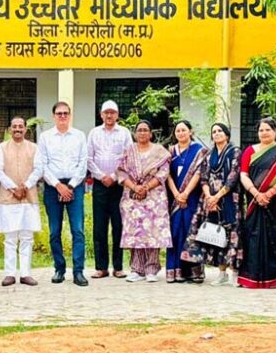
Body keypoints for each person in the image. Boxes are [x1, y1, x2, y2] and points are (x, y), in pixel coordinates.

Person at [181, 123, 242, 286]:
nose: (216, 134)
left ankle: (234, 273)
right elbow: (204, 178)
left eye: (220, 131)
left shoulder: (235, 152)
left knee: (232, 235)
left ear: (227, 134)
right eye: (214, 132)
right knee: (216, 235)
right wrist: (209, 197)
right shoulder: (209, 155)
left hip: (229, 200)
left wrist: (218, 196)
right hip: (210, 201)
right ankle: (221, 273)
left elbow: (233, 177)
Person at [38, 101, 89, 286]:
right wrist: (58, 185)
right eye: (59, 113)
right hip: (53, 187)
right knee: (54, 231)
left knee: (78, 230)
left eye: (65, 113)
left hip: (75, 186)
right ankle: (59, 269)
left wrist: (71, 186)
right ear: (54, 116)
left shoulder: (79, 136)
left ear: (70, 115)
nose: (62, 116)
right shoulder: (45, 137)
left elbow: (83, 163)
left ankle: (78, 271)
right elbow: (42, 164)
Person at [238, 117, 276, 288]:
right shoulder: (249, 151)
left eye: (268, 129)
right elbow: (243, 174)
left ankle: (274, 277)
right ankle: (250, 276)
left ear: (275, 131)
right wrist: (256, 193)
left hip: (275, 201)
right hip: (254, 200)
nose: (264, 133)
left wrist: (270, 193)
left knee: (274, 237)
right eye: (261, 130)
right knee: (252, 237)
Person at [116, 120, 172, 283]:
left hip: (154, 197)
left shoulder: (160, 151)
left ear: (151, 133)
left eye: (145, 130)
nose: (142, 133)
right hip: (132, 197)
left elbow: (163, 173)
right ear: (135, 134)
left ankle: (151, 269)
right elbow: (120, 171)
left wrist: (146, 187)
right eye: (139, 130)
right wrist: (135, 187)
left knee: (153, 232)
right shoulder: (129, 151)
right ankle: (136, 269)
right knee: (135, 232)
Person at [0, 116, 44, 287]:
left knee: (27, 236)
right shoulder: (2, 147)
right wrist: (13, 188)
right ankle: (9, 274)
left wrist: (26, 186)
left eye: (20, 126)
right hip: (9, 198)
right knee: (10, 237)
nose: (17, 129)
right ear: (9, 129)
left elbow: (39, 169)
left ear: (25, 129)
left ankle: (25, 273)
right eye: (14, 126)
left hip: (28, 197)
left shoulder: (34, 148)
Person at [87, 100, 132, 279]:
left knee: (118, 225)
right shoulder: (94, 133)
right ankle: (101, 267)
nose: (109, 115)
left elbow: (128, 157)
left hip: (119, 184)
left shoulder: (124, 133)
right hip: (99, 184)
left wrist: (113, 176)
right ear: (101, 115)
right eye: (106, 112)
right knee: (99, 226)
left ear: (117, 115)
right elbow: (88, 158)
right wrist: (101, 176)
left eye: (112, 112)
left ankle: (118, 267)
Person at [166, 120, 207, 283]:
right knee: (175, 232)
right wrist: (177, 194)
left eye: (184, 130)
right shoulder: (170, 151)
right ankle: (175, 269)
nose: (181, 133)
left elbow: (198, 173)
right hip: (174, 199)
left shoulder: (199, 150)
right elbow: (167, 175)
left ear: (190, 131)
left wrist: (185, 194)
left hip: (192, 198)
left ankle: (193, 271)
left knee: (191, 232)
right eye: (178, 131)